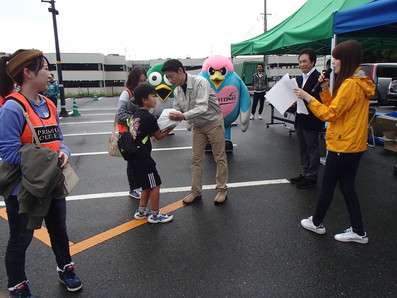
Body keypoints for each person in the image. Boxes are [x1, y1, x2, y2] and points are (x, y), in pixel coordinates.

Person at [0, 49, 82, 296]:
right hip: (24, 188)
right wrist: (48, 160)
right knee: (21, 239)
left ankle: (65, 268)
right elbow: (9, 153)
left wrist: (64, 152)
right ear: (27, 72)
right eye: (45, 68)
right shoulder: (12, 109)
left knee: (59, 230)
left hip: (53, 182)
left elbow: (59, 140)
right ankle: (17, 285)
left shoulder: (48, 104)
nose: (49, 74)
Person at [295, 40, 375, 244]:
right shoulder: (358, 82)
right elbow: (338, 110)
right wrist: (323, 88)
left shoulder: (349, 84)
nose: (333, 62)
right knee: (347, 187)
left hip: (343, 145)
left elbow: (329, 114)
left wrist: (308, 98)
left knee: (328, 186)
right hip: (354, 145)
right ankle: (358, 230)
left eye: (336, 58)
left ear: (345, 59)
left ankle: (316, 222)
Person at [162, 59, 228, 204]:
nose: (169, 80)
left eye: (171, 76)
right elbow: (176, 112)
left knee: (219, 157)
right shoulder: (177, 90)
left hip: (213, 123)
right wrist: (161, 129)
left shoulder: (200, 82)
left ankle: (222, 190)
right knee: (196, 159)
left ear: (180, 71)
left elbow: (202, 107)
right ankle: (196, 191)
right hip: (198, 126)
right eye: (167, 77)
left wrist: (183, 116)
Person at [130, 84, 174, 223]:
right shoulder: (149, 117)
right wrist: (171, 127)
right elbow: (159, 135)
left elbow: (142, 132)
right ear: (144, 100)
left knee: (146, 184)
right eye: (152, 96)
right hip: (143, 157)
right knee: (155, 184)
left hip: (134, 156)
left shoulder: (136, 115)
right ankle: (155, 215)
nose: (155, 98)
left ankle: (141, 211)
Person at [289, 48, 324, 189]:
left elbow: (321, 100)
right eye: (300, 62)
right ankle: (304, 173)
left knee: (312, 149)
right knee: (302, 148)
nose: (301, 64)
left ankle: (312, 176)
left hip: (312, 119)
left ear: (313, 62)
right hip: (300, 118)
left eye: (304, 61)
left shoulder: (319, 78)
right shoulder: (298, 79)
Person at [117, 67, 147, 199]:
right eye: (140, 81)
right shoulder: (127, 93)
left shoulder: (140, 93)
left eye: (144, 81)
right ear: (133, 80)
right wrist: (136, 118)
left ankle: (138, 186)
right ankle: (133, 188)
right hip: (127, 133)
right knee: (132, 161)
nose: (142, 83)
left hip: (137, 132)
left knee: (139, 160)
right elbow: (120, 114)